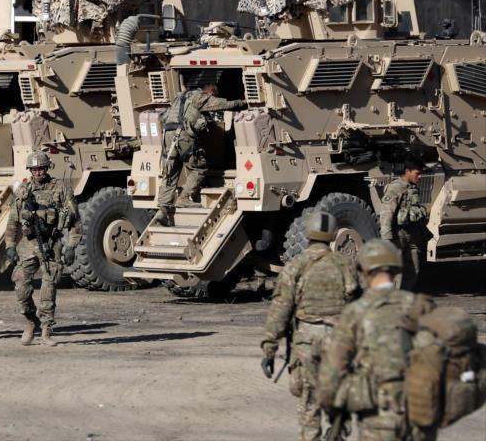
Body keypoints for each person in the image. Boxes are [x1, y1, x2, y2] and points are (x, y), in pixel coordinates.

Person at [318, 239, 437, 441]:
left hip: (378, 417)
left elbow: (332, 372)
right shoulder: (420, 306)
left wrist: (335, 414)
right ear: (396, 268)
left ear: (365, 270)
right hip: (420, 412)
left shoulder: (355, 312)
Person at [260, 211, 362, 441]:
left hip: (306, 339)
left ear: (308, 234)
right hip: (338, 340)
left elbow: (280, 309)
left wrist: (269, 348)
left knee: (309, 399)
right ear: (333, 234)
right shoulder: (345, 264)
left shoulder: (296, 266)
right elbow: (358, 303)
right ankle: (338, 426)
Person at [5, 152, 80, 347]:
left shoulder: (60, 189)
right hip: (28, 245)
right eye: (34, 169)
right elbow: (13, 221)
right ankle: (31, 320)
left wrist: (71, 246)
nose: (38, 172)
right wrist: (10, 246)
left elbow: (74, 219)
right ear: (30, 170)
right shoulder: (24, 191)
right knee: (21, 285)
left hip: (51, 244)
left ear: (47, 168)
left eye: (41, 168)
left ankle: (46, 330)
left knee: (49, 287)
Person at [155, 82, 246, 226]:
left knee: (170, 173)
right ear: (210, 91)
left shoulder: (179, 97)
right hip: (183, 137)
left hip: (168, 136)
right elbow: (221, 105)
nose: (212, 97)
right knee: (199, 168)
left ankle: (162, 209)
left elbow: (162, 117)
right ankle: (184, 198)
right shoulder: (200, 97)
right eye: (213, 94)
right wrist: (242, 102)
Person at [380, 156, 429, 291]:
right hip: (398, 235)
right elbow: (386, 213)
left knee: (414, 270)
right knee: (396, 273)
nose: (419, 177)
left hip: (411, 236)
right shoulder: (396, 188)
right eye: (417, 173)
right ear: (407, 171)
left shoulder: (412, 188)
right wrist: (386, 238)